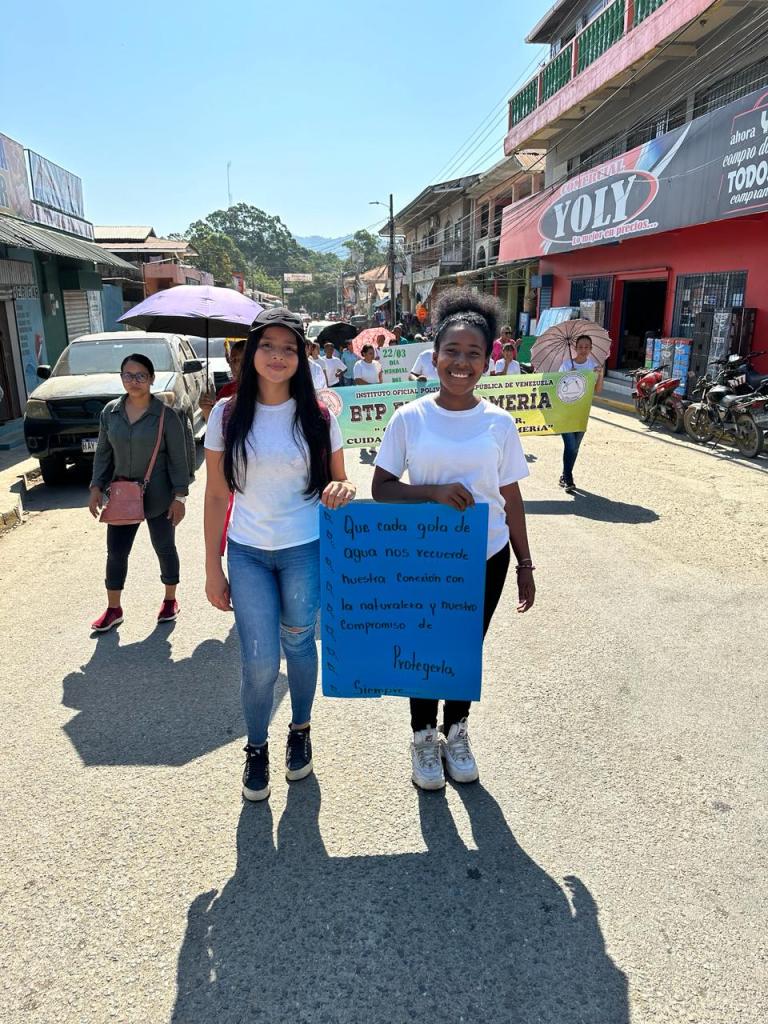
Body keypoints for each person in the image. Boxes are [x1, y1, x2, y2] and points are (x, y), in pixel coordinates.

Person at [371, 288, 535, 791]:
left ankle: (456, 731)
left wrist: (525, 563)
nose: (461, 363)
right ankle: (423, 736)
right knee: (425, 644)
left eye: (473, 353)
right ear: (434, 355)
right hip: (425, 557)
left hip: (487, 556)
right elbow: (381, 488)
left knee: (465, 647)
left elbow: (510, 496)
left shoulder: (499, 423)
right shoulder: (410, 417)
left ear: (487, 361)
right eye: (452, 351)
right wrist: (433, 493)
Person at [204, 307, 356, 802]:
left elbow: (341, 479)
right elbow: (216, 495)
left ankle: (300, 731)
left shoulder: (320, 416)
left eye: (288, 348)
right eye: (267, 345)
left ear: (302, 356)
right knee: (259, 660)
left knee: (299, 644)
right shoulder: (225, 415)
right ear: (251, 352)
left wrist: (342, 489)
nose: (277, 356)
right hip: (247, 553)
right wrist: (211, 566)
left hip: (304, 550)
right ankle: (256, 747)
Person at [88, 353, 190, 632]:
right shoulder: (110, 413)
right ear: (121, 378)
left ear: (151, 379)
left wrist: (179, 497)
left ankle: (170, 600)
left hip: (160, 495)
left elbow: (178, 460)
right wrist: (96, 487)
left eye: (140, 376)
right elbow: (103, 453)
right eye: (128, 375)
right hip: (122, 495)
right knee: (116, 552)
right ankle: (113, 609)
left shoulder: (166, 416)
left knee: (164, 547)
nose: (134, 381)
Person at [558, 334, 603, 495]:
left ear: (591, 349)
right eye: (580, 347)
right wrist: (568, 376)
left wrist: (600, 374)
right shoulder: (566, 365)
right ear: (575, 348)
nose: (583, 350)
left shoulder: (593, 367)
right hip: (566, 412)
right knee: (570, 445)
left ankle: (564, 474)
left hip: (582, 413)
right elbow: (557, 388)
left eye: (586, 347)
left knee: (575, 447)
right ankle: (568, 478)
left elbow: (598, 390)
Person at [200, 340, 246, 422]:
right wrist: (206, 409)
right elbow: (215, 425)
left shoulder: (265, 389)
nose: (230, 365)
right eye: (230, 360)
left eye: (236, 360)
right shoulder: (227, 390)